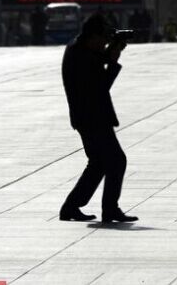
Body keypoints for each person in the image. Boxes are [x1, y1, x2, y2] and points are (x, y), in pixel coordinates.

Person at [59, 14, 138, 223]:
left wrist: (111, 52)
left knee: (98, 163)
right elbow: (100, 86)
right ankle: (109, 209)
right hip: (91, 117)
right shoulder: (81, 55)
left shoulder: (79, 48)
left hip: (88, 116)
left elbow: (95, 61)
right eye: (103, 38)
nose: (104, 42)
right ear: (92, 36)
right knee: (116, 161)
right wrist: (112, 63)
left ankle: (71, 207)